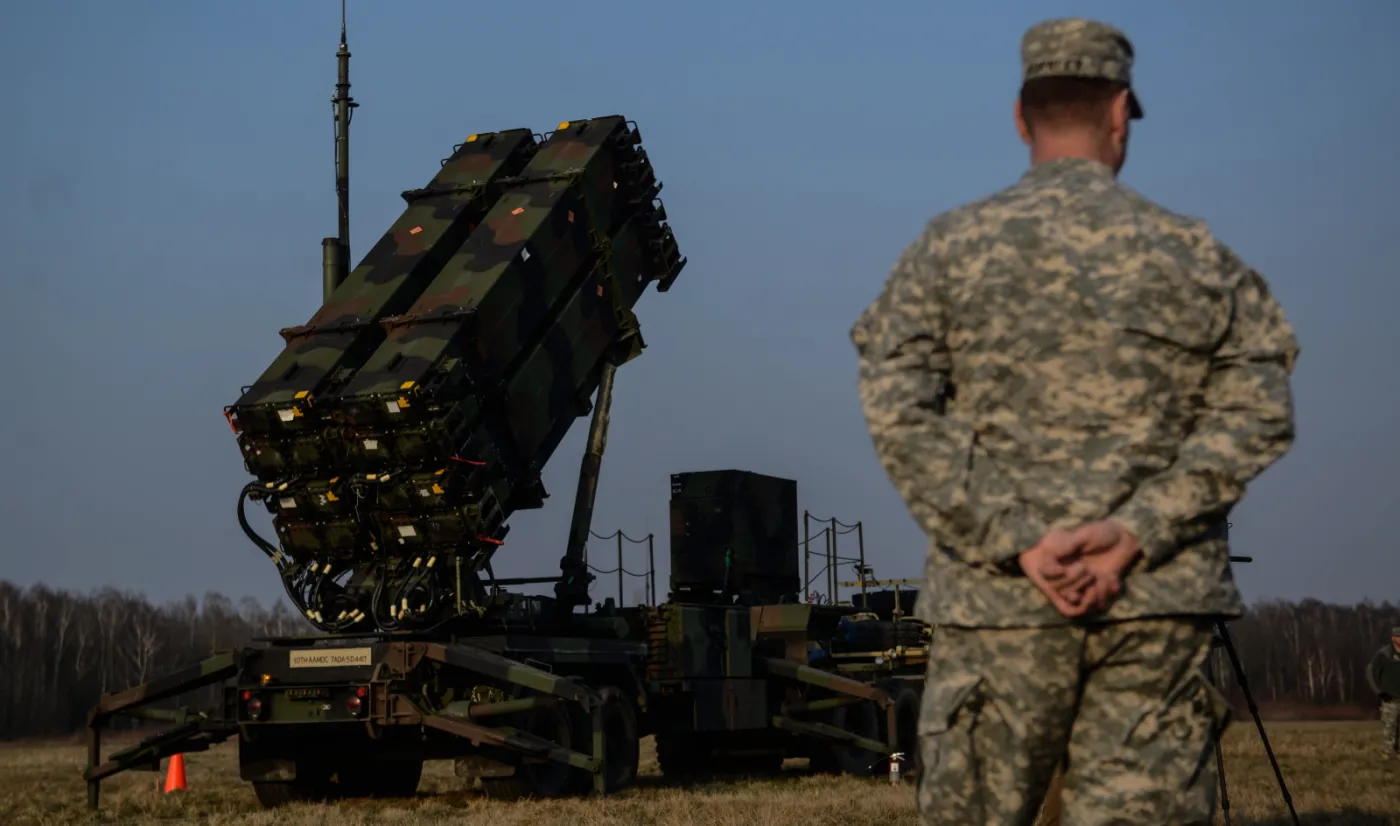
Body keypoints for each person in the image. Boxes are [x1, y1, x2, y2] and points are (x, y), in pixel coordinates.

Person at [849, 17, 1300, 826]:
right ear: (1121, 112)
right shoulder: (1193, 255)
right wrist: (1135, 531)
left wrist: (1019, 537)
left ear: (1021, 118)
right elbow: (1259, 408)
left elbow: (897, 404)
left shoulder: (950, 251)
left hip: (996, 610)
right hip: (1152, 608)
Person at [1366, 626, 1400, 760]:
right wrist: (1379, 692)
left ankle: (1398, 751)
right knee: (1389, 725)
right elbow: (1371, 672)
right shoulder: (1384, 655)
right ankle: (1386, 752)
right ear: (1393, 638)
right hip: (1389, 696)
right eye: (1398, 636)